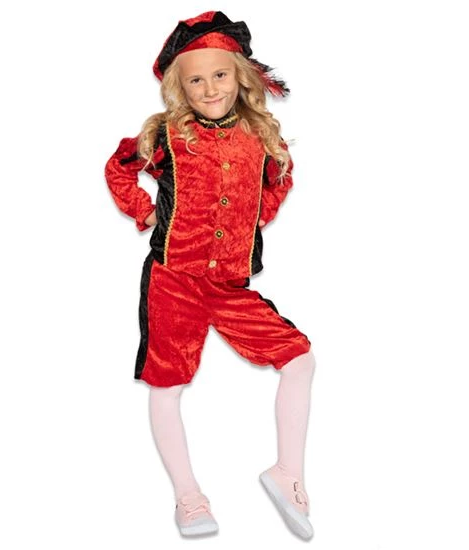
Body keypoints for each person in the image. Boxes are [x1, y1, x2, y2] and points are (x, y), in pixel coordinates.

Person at [105, 11, 316, 541]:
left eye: (219, 74)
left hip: (229, 287)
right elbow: (119, 166)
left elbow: (281, 177)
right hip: (173, 281)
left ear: (239, 75)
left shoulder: (260, 136)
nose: (209, 88)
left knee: (299, 359)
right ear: (181, 87)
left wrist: (259, 214)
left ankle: (287, 474)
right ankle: (188, 496)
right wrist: (144, 212)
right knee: (168, 385)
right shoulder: (166, 135)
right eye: (195, 80)